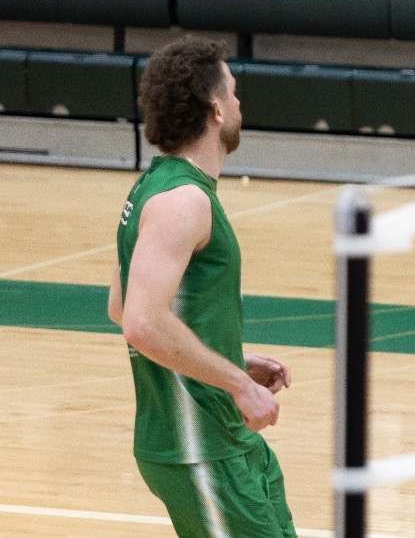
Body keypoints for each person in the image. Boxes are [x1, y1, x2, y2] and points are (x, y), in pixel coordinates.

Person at [110, 36, 297, 538]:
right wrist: (238, 383)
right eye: (233, 93)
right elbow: (140, 321)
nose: (239, 103)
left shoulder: (155, 186)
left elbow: (119, 306)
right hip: (197, 446)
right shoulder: (181, 201)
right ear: (216, 109)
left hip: (223, 438)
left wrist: (228, 359)